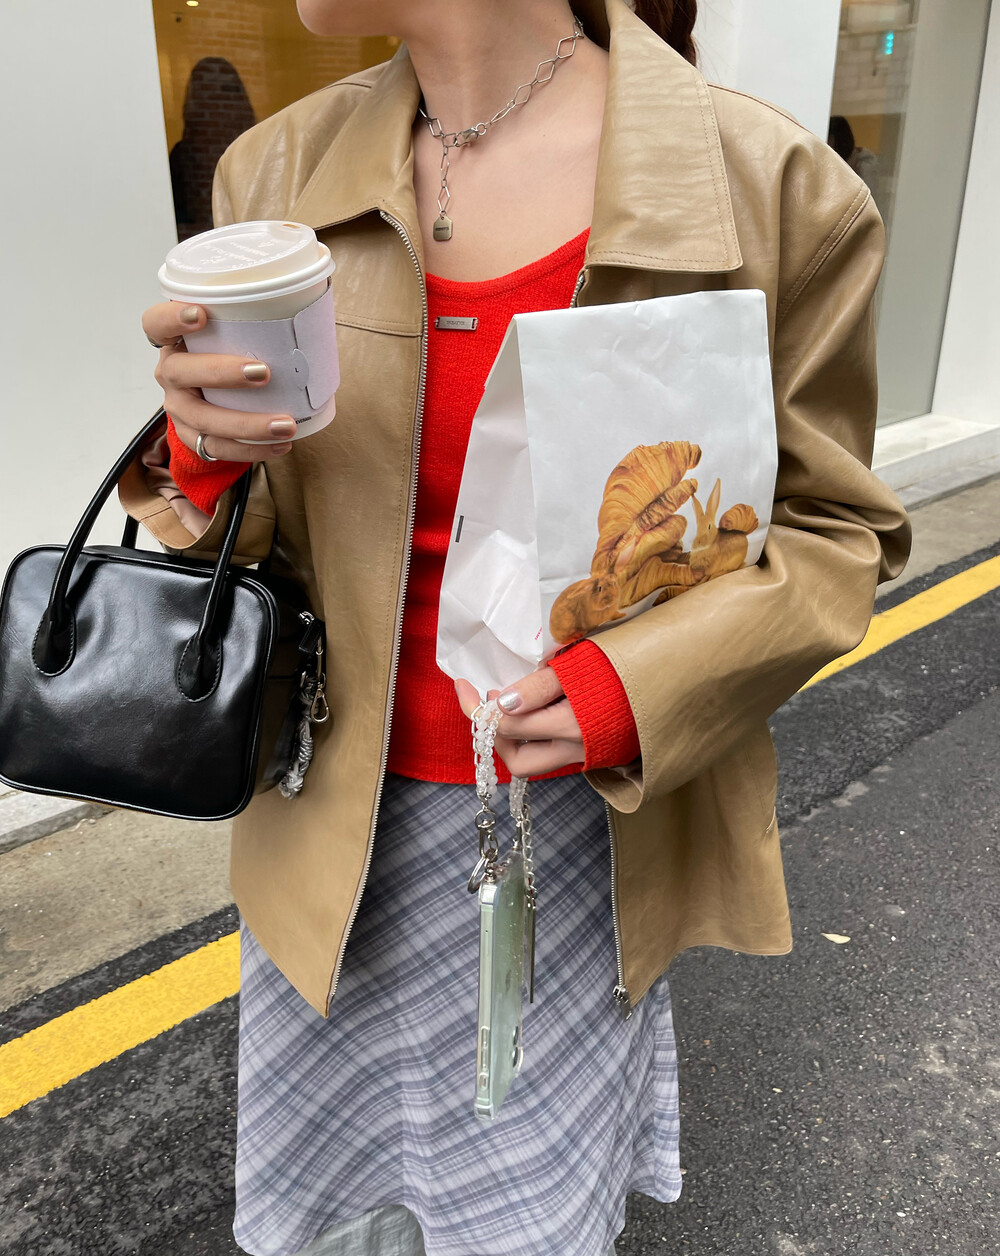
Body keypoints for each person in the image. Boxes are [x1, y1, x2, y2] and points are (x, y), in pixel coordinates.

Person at [125, 1, 911, 1253]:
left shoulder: (771, 187)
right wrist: (205, 458)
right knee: (341, 1224)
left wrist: (629, 685)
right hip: (323, 831)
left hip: (578, 841)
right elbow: (268, 541)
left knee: (521, 1222)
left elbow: (834, 530)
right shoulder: (272, 173)